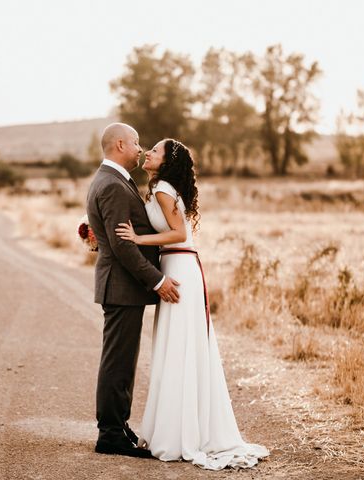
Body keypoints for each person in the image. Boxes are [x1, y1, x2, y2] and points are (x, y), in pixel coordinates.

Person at [115, 138, 270, 470]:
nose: (147, 153)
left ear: (166, 161)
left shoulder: (163, 188)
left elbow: (177, 232)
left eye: (154, 151)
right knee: (178, 346)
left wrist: (139, 239)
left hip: (180, 266)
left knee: (180, 346)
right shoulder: (160, 186)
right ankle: (179, 427)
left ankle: (180, 433)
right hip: (177, 264)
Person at [86, 123, 181, 458]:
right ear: (121, 144)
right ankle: (110, 434)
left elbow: (111, 234)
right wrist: (157, 280)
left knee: (123, 361)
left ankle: (118, 425)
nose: (141, 150)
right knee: (118, 362)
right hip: (122, 287)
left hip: (122, 287)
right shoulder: (112, 184)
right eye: (138, 144)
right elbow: (123, 246)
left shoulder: (113, 180)